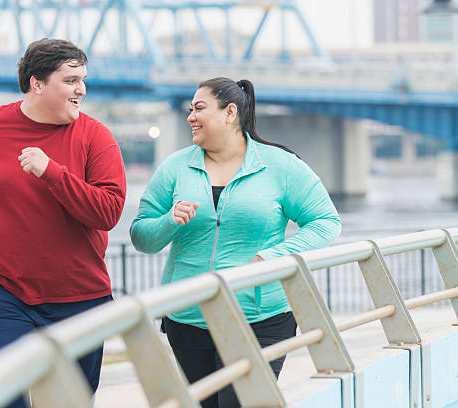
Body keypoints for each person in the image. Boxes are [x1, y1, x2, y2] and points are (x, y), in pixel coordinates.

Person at [0, 38, 126, 408]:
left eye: (83, 79)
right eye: (70, 80)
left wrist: (52, 173)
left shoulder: (95, 136)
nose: (81, 88)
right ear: (37, 83)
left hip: (78, 296)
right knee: (2, 399)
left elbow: (108, 212)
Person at [129, 77, 341, 408]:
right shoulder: (175, 167)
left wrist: (273, 257)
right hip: (188, 314)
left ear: (230, 112)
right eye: (189, 109)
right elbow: (142, 237)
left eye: (199, 108)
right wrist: (169, 221)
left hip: (260, 317)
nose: (190, 117)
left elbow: (326, 222)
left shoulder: (280, 166)